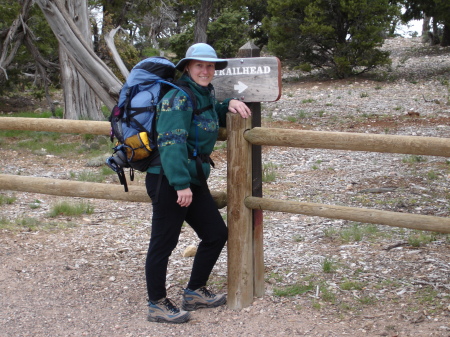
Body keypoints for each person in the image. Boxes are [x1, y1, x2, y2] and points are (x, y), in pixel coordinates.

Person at [145, 43, 252, 324]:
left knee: (216, 233)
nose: (205, 70)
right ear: (187, 68)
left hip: (192, 178)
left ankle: (194, 292)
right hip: (169, 179)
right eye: (199, 65)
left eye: (209, 66)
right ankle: (156, 303)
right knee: (163, 243)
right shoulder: (177, 97)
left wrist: (225, 105)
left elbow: (205, 115)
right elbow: (171, 143)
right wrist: (181, 185)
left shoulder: (203, 93)